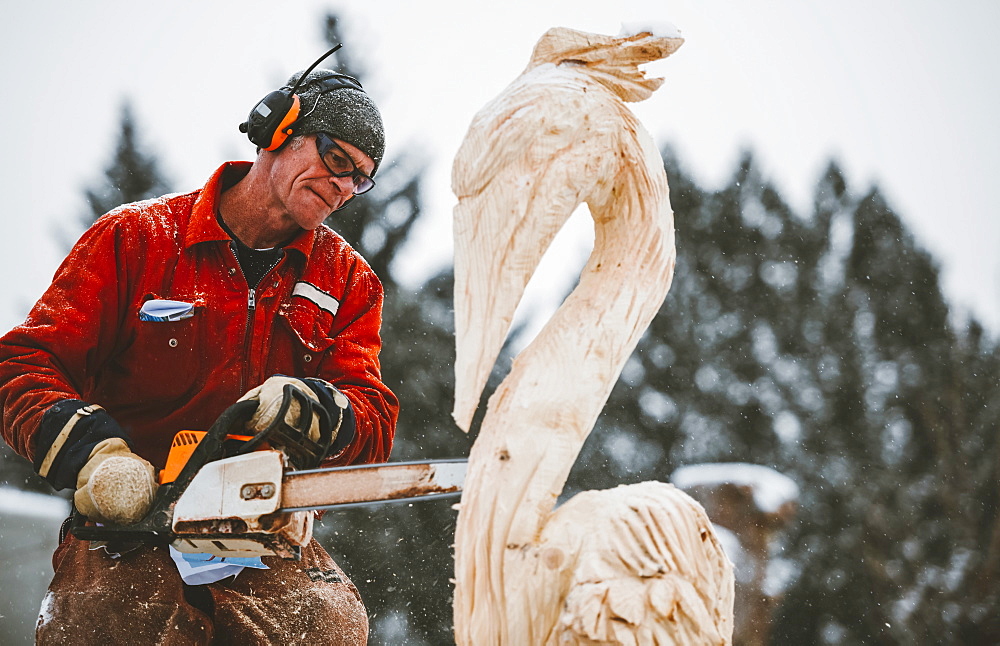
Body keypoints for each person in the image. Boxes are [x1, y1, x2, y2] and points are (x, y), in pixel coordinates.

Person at [0, 65, 399, 644]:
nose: (343, 186)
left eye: (359, 178)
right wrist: (96, 457)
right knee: (110, 624)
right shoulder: (136, 240)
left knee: (324, 625)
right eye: (338, 159)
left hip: (260, 529)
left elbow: (372, 417)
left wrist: (317, 410)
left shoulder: (348, 282)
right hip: (128, 523)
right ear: (281, 126)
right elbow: (24, 364)